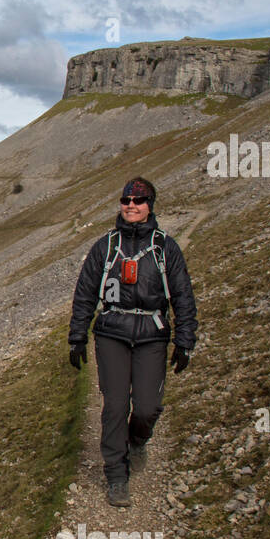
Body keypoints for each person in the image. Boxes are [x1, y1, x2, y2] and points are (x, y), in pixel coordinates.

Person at [67, 177, 197, 507]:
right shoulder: (105, 246)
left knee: (147, 407)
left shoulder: (166, 247)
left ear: (150, 205)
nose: (131, 205)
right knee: (114, 406)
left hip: (153, 334)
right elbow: (84, 294)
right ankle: (116, 476)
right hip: (111, 332)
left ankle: (138, 439)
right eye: (126, 199)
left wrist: (184, 340)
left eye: (139, 200)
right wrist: (77, 337)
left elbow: (182, 295)